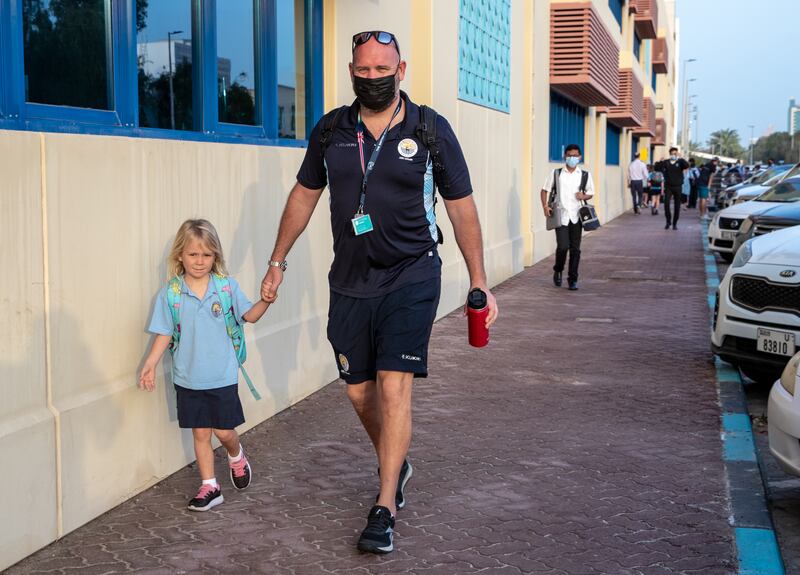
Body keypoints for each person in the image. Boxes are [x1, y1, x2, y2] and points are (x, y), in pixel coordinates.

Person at [259, 30, 498, 554]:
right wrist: (277, 262)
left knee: (393, 388)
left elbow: (461, 206)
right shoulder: (331, 131)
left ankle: (385, 502)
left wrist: (480, 279)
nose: (372, 79)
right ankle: (399, 458)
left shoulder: (430, 129)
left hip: (412, 273)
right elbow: (304, 196)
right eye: (362, 71)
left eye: (381, 71)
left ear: (401, 70)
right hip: (349, 280)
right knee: (358, 393)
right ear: (351, 71)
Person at [139, 219, 271, 512]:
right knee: (200, 433)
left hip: (222, 376)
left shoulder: (225, 288)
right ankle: (210, 486)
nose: (200, 262)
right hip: (188, 378)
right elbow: (165, 332)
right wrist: (150, 363)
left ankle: (236, 455)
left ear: (216, 257)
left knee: (224, 432)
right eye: (193, 255)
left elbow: (249, 315)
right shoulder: (171, 294)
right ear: (180, 256)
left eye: (207, 255)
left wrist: (266, 300)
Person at [540, 144, 595, 291]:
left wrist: (583, 196)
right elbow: (544, 190)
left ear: (580, 157)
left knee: (575, 249)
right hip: (561, 216)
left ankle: (573, 280)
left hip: (577, 216)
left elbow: (591, 192)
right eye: (570, 155)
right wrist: (545, 206)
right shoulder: (556, 173)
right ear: (565, 156)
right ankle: (558, 269)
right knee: (563, 246)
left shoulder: (584, 175)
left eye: (575, 156)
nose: (572, 158)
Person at [655, 147, 689, 230]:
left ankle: (674, 223)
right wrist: (660, 161)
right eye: (672, 154)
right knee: (666, 204)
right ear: (670, 154)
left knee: (677, 206)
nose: (674, 155)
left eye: (675, 154)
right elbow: (657, 168)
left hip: (678, 187)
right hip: (669, 186)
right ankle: (668, 221)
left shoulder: (680, 162)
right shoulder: (666, 162)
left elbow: (687, 165)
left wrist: (681, 158)